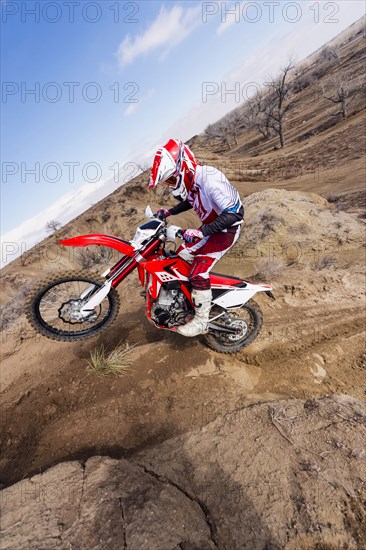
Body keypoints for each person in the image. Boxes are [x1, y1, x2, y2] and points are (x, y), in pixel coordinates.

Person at [149, 138, 244, 337]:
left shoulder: (210, 179)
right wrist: (169, 212)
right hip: (210, 229)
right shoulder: (193, 180)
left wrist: (202, 232)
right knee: (180, 256)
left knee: (198, 273)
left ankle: (201, 321)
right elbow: (190, 199)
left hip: (226, 232)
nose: (170, 185)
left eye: (171, 180)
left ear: (182, 168)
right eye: (168, 182)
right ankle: (186, 302)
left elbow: (235, 214)